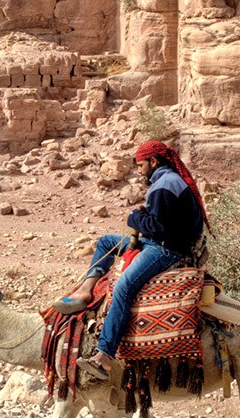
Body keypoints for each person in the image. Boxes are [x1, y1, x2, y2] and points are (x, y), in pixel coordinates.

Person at [60, 140, 208, 383]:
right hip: (157, 241)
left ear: (154, 161)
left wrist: (135, 218)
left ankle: (105, 356)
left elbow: (158, 228)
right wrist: (142, 218)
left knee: (124, 288)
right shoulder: (165, 182)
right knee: (106, 242)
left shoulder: (164, 185)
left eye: (141, 165)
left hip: (165, 249)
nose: (139, 170)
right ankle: (86, 290)